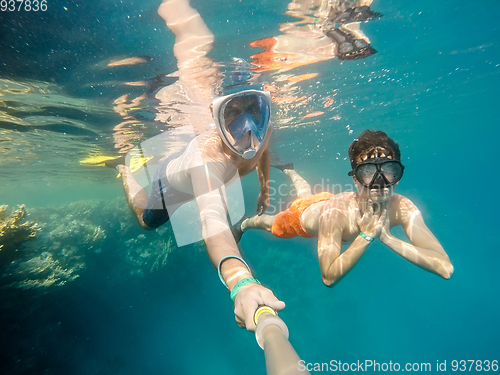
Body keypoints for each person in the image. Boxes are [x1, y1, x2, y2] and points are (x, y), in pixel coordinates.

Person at [110, 0, 285, 331]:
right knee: (147, 223)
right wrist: (241, 282)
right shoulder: (208, 163)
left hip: (195, 172)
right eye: (233, 116)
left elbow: (262, 152)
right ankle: (125, 171)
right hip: (173, 184)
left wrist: (264, 189)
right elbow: (212, 222)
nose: (248, 129)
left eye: (254, 114)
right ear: (216, 119)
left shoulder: (264, 130)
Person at [240, 130, 454, 286]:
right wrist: (366, 236)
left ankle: (290, 171)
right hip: (300, 217)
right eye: (368, 172)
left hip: (323, 201)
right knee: (268, 223)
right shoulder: (336, 214)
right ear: (356, 180)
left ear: (397, 178)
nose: (379, 182)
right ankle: (244, 224)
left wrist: (388, 238)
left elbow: (445, 267)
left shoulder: (403, 207)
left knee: (306, 195)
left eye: (388, 170)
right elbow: (328, 276)